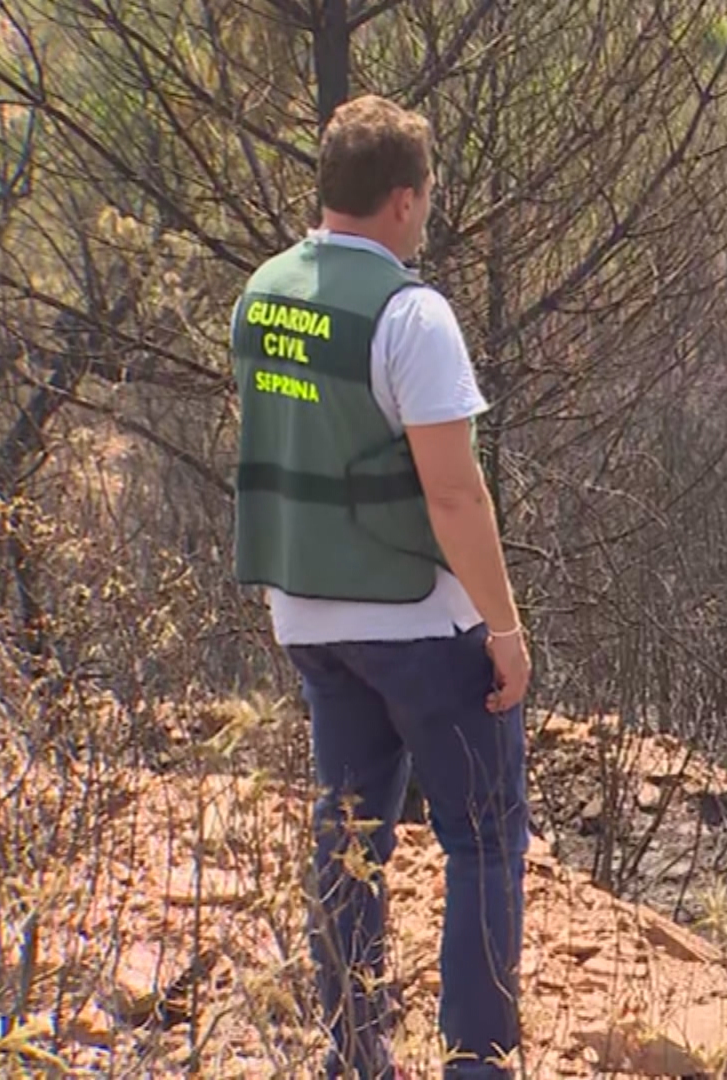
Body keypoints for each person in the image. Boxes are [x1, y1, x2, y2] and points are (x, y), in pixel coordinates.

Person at [229, 94, 531, 1080]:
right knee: (484, 839)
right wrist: (505, 628)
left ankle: (353, 1056)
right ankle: (477, 1064)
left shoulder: (263, 295)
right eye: (427, 193)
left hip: (307, 616)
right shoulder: (411, 315)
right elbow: (454, 492)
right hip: (420, 619)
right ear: (405, 198)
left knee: (351, 837)